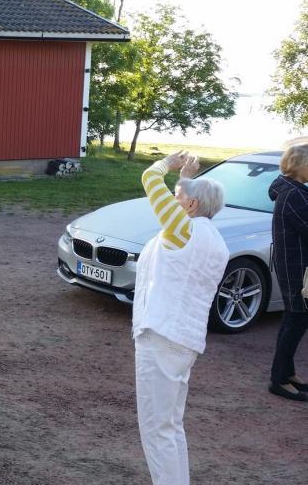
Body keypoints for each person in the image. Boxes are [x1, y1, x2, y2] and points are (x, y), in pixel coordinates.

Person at [133, 151, 229, 485]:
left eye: (179, 197)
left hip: (160, 337)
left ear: (190, 206)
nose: (173, 202)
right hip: (184, 341)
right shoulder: (212, 240)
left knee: (157, 429)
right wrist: (185, 178)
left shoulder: (181, 231)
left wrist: (167, 165)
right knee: (170, 426)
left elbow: (149, 179)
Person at [268, 141, 308, 401]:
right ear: (299, 165)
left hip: (293, 265)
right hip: (297, 267)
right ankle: (279, 380)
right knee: (297, 320)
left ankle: (287, 372)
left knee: (293, 319)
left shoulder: (292, 190)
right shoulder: (294, 194)